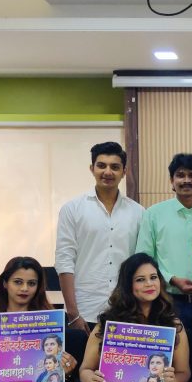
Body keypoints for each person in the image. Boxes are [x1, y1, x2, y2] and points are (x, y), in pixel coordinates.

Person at [79, 253, 191, 382]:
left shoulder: (173, 325)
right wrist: (91, 379)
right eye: (140, 279)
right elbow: (85, 369)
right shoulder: (108, 323)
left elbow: (184, 373)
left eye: (153, 277)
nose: (149, 284)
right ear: (127, 285)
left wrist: (173, 381)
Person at [56, 141, 145, 332]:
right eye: (101, 165)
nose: (108, 172)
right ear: (92, 168)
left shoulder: (138, 212)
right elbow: (64, 261)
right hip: (84, 311)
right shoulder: (72, 209)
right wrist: (73, 313)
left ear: (124, 171)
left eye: (115, 167)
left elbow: (141, 264)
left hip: (126, 311)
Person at [136, 152, 192, 336]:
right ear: (172, 180)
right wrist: (172, 279)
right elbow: (143, 259)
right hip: (166, 300)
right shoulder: (153, 214)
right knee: (171, 350)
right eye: (180, 175)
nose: (186, 180)